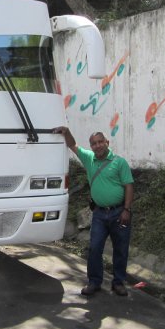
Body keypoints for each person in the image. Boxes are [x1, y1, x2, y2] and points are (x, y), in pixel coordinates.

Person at [53, 126, 134, 297]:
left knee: (121, 249)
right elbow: (73, 145)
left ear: (107, 142)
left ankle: (118, 283)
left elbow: (129, 186)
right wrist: (67, 132)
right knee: (95, 248)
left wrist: (126, 209)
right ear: (91, 147)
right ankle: (94, 281)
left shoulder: (119, 162)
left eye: (100, 142)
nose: (97, 146)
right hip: (98, 214)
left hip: (118, 212)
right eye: (94, 144)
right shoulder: (89, 159)